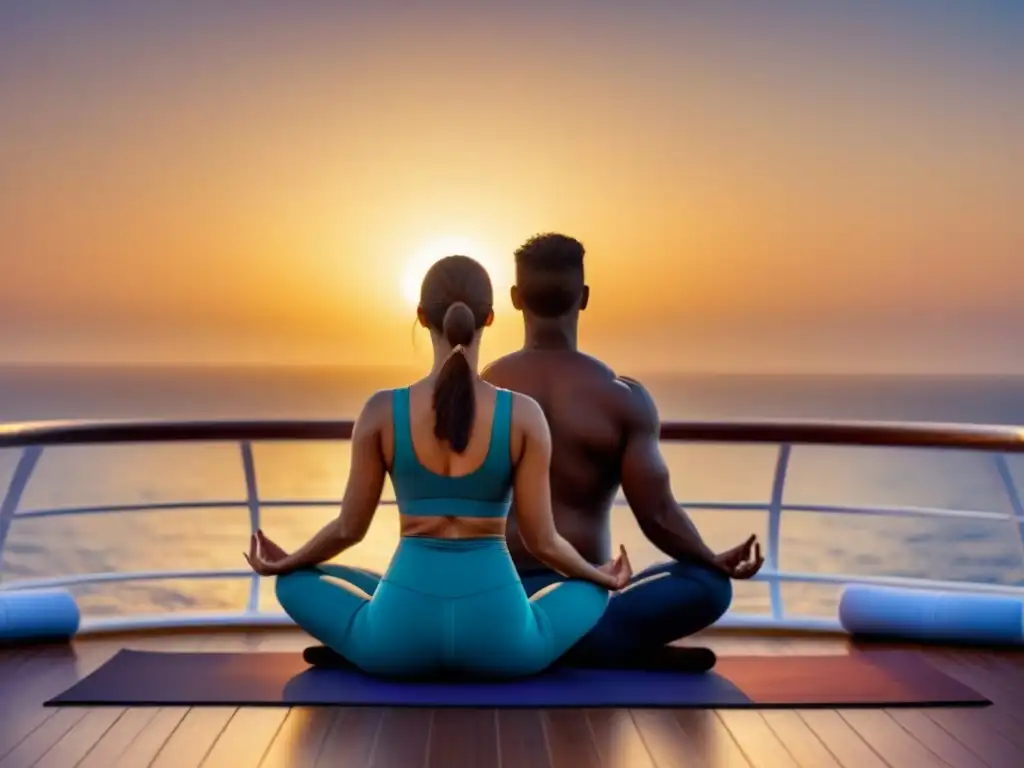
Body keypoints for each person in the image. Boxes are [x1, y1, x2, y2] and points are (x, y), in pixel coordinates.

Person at [243, 254, 632, 679]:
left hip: (396, 644)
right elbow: (543, 542)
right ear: (489, 317)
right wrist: (599, 574)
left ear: (421, 315)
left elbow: (347, 529)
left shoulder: (380, 410)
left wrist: (289, 561)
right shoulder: (522, 415)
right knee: (591, 588)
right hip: (502, 646)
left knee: (298, 581)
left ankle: (363, 634)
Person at [481, 233, 765, 672]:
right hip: (586, 601)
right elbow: (657, 516)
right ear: (585, 298)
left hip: (499, 602)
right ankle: (602, 646)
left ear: (516, 299)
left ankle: (540, 645)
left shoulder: (481, 391)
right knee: (708, 585)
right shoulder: (620, 397)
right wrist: (708, 558)